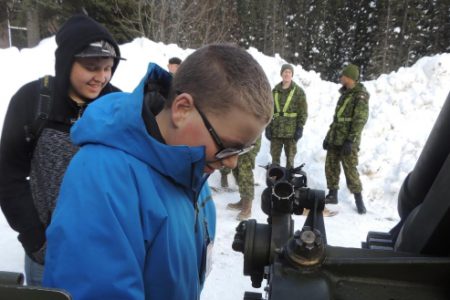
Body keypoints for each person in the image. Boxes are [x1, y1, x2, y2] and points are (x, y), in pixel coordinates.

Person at [43, 44, 273, 299]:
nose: (230, 163)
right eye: (227, 147)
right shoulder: (102, 179)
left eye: (241, 152)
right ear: (182, 109)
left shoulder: (191, 171)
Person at [0, 14, 123, 286]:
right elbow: (8, 177)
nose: (101, 77)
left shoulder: (117, 106)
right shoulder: (32, 101)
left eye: (107, 67)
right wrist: (36, 241)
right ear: (66, 61)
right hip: (49, 252)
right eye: (91, 67)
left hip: (104, 250)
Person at [322, 64, 369, 214]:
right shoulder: (345, 94)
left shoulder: (360, 95)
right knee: (331, 166)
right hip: (336, 137)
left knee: (350, 170)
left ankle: (359, 200)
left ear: (349, 78)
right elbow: (338, 119)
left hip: (348, 140)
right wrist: (328, 137)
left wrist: (351, 140)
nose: (340, 78)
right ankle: (332, 194)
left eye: (343, 76)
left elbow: (360, 120)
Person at [265, 63, 308, 169]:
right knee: (275, 160)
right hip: (276, 132)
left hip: (291, 133)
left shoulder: (299, 92)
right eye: (285, 72)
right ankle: (276, 182)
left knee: (290, 160)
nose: (287, 74)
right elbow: (270, 111)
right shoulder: (274, 91)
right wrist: (268, 127)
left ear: (292, 74)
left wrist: (300, 128)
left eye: (289, 72)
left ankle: (288, 182)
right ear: (281, 74)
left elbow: (303, 112)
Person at [221, 136, 261, 220]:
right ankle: (242, 201)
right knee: (237, 175)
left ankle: (247, 207)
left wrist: (253, 151)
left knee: (245, 177)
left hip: (248, 148)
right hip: (236, 148)